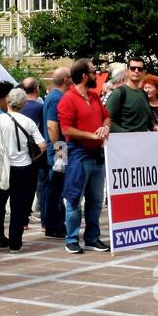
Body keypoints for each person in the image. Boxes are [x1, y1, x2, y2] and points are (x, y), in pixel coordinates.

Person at [0, 87, 46, 253]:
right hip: (24, 169)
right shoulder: (28, 121)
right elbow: (42, 145)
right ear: (23, 104)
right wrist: (31, 158)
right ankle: (15, 244)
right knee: (19, 208)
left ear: (8, 102)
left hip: (4, 168)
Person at [57, 59, 111, 254]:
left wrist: (105, 127)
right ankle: (71, 239)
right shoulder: (68, 99)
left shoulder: (94, 97)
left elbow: (106, 115)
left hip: (97, 154)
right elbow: (66, 129)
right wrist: (91, 134)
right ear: (84, 76)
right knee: (74, 198)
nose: (97, 75)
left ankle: (92, 237)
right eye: (94, 72)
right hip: (79, 153)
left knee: (96, 200)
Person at [42, 67, 70, 239]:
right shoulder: (56, 98)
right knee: (56, 188)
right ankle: (54, 224)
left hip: (59, 147)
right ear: (66, 79)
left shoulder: (55, 96)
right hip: (59, 148)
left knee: (56, 188)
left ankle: (54, 223)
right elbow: (52, 126)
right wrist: (59, 151)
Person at [106, 58, 158, 134]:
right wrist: (126, 134)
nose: (136, 71)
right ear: (127, 71)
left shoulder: (144, 94)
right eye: (133, 68)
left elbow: (149, 120)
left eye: (140, 69)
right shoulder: (118, 93)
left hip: (143, 141)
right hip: (123, 142)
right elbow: (107, 119)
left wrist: (156, 127)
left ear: (144, 72)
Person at [20, 78, 47, 222]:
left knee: (23, 187)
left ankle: (23, 219)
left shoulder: (17, 108)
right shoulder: (40, 108)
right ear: (37, 89)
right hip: (37, 152)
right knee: (40, 186)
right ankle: (44, 218)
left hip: (19, 152)